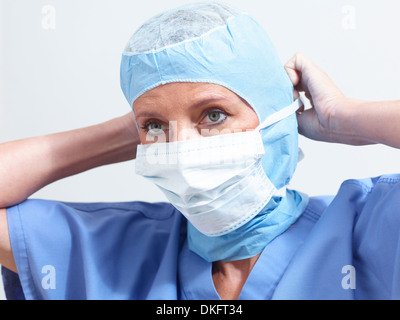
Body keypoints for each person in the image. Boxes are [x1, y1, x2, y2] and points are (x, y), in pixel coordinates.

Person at [1, 2, 400, 300]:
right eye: (156, 127)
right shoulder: (111, 251)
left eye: (213, 115)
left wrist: (344, 117)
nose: (183, 150)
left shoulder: (370, 230)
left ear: (274, 119)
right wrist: (131, 130)